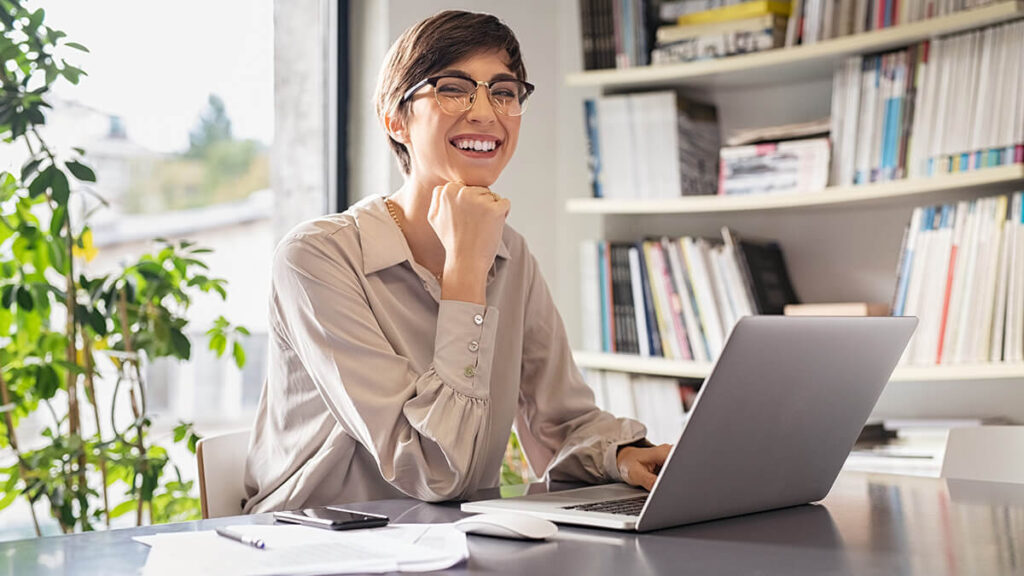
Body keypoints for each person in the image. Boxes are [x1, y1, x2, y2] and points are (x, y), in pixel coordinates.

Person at [242, 10, 670, 514]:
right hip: (311, 548)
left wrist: (622, 456)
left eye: (504, 92)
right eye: (454, 88)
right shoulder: (315, 258)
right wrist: (465, 271)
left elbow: (560, 423)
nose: (486, 112)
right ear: (395, 119)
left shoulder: (512, 255)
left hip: (447, 539)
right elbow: (432, 471)